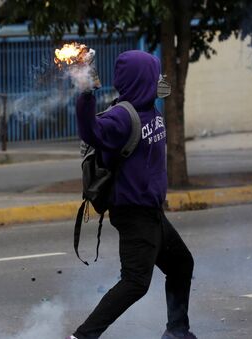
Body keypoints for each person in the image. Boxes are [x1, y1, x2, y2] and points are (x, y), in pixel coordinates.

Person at [67, 50, 196, 339]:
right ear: (142, 80)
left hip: (152, 212)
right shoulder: (122, 118)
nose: (160, 79)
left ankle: (177, 331)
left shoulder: (151, 109)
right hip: (134, 213)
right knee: (136, 282)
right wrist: (86, 89)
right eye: (155, 74)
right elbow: (91, 131)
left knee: (181, 264)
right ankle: (82, 337)